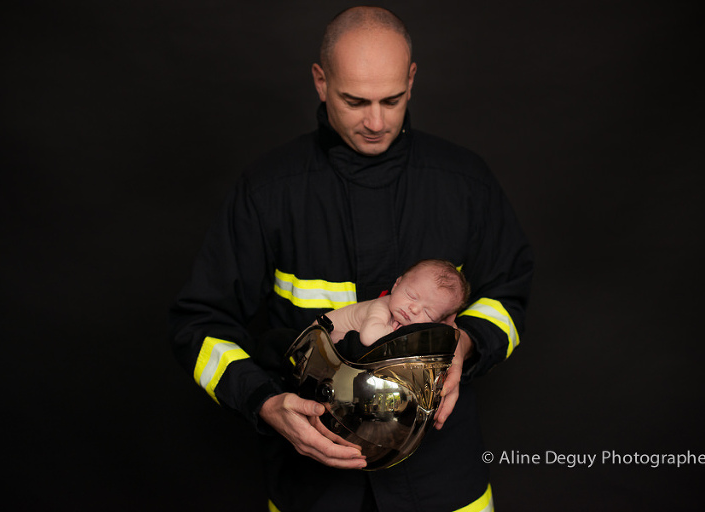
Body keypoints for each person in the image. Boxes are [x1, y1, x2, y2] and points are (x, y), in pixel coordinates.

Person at [170, 6, 533, 512]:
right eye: (354, 101)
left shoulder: (465, 182)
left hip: (443, 485)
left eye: (393, 99)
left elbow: (508, 292)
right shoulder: (269, 190)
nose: (376, 121)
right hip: (312, 487)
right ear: (321, 82)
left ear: (412, 79)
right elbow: (200, 322)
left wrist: (468, 342)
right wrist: (263, 401)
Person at [323, 259, 470, 346]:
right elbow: (368, 337)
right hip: (321, 338)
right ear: (396, 284)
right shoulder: (381, 307)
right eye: (411, 296)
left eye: (428, 313)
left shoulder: (408, 317)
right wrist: (394, 334)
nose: (414, 309)